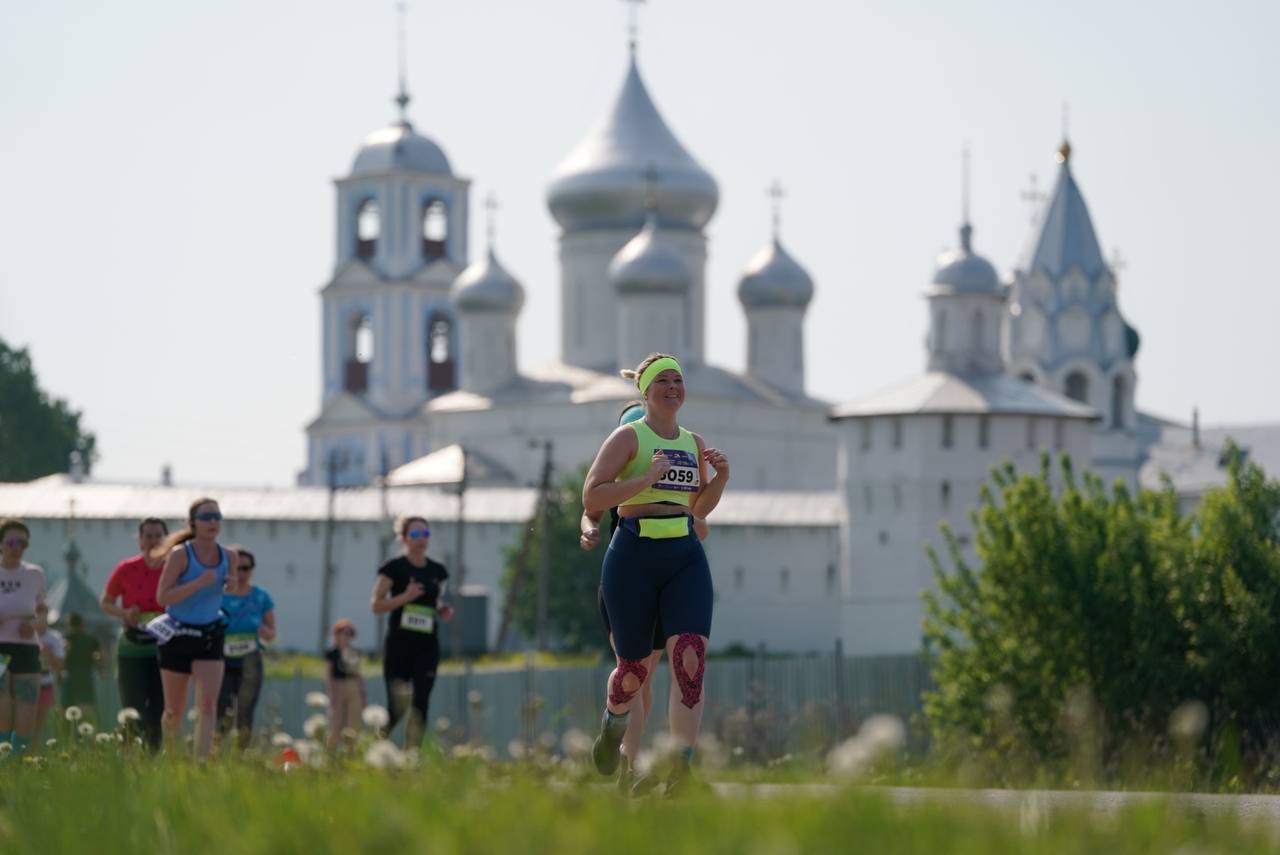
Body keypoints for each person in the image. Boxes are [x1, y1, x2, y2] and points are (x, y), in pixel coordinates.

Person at [582, 354, 730, 794]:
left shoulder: (693, 441)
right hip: (633, 554)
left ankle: (681, 767)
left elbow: (698, 508)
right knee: (632, 674)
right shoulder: (628, 437)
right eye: (662, 380)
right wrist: (645, 477)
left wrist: (720, 477)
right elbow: (593, 496)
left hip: (683, 554)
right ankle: (613, 724)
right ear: (645, 391)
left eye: (678, 380)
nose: (672, 387)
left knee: (690, 658)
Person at [154, 498, 237, 759]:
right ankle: (171, 758)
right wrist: (198, 583)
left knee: (209, 704)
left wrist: (229, 585)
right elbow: (163, 597)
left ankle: (201, 762)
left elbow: (230, 590)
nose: (213, 521)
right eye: (206, 517)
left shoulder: (229, 556)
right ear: (193, 522)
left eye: (217, 516)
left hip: (210, 634)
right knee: (173, 711)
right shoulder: (181, 554)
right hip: (178, 634)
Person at [370, 516, 454, 749]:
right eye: (415, 535)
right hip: (399, 646)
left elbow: (433, 601)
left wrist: (442, 609)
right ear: (404, 538)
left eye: (425, 535)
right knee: (397, 707)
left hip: (427, 646)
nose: (421, 540)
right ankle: (376, 747)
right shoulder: (394, 568)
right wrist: (405, 597)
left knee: (421, 703)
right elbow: (376, 605)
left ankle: (412, 757)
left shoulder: (437, 571)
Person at [100, 517, 169, 750]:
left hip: (164, 648)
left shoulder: (175, 569)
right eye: (148, 536)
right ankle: (129, 755)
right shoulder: (127, 568)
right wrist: (125, 613)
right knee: (132, 706)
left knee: (160, 707)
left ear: (166, 539)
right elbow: (105, 602)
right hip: (132, 647)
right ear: (139, 540)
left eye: (158, 536)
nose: (153, 541)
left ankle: (154, 757)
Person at [216, 546, 275, 750]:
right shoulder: (218, 595)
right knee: (220, 712)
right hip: (221, 661)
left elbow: (271, 632)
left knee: (245, 713)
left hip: (250, 661)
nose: (241, 573)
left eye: (246, 568)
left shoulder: (261, 596)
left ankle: (240, 757)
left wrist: (262, 630)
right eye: (236, 568)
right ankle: (213, 755)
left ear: (252, 570)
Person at [0, 518, 48, 756]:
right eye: (10, 542)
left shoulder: (34, 575)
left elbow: (42, 615)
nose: (16, 548)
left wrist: (35, 625)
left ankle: (16, 761)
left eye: (22, 543)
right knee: (2, 700)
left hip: (26, 647)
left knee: (27, 704)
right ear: (1, 544)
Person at [324, 618, 366, 751]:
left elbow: (359, 674)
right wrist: (330, 693)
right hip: (338, 687)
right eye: (344, 633)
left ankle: (350, 753)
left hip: (353, 686)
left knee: (353, 724)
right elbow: (328, 674)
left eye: (350, 633)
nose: (347, 636)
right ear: (336, 635)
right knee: (335, 724)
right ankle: (330, 753)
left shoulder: (355, 652)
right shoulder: (331, 653)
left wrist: (363, 694)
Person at [60, 612, 103, 720]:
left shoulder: (65, 639)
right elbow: (98, 657)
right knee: (86, 707)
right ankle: (87, 732)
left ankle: (66, 733)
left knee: (66, 709)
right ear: (82, 624)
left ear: (69, 624)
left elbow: (61, 658)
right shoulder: (91, 640)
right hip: (86, 676)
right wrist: (101, 669)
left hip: (69, 676)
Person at [35, 613, 64, 742]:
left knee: (40, 726)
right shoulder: (24, 635)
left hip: (46, 684)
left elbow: (60, 665)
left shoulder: (55, 638)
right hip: (26, 683)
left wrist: (48, 655)